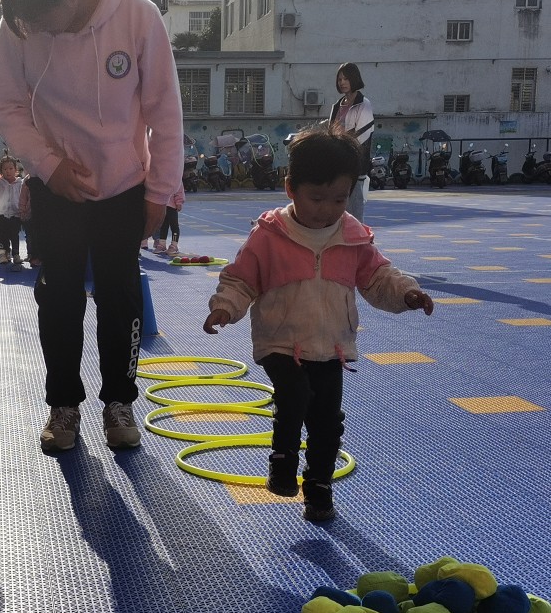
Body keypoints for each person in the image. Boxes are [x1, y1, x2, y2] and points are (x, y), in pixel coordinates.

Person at [0, 0, 184, 452]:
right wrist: (48, 165)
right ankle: (63, 405)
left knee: (120, 296)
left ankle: (119, 401)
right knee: (58, 297)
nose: (32, 31)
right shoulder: (19, 22)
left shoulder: (138, 16)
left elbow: (165, 113)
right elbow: (6, 106)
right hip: (55, 188)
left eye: (40, 23)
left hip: (123, 188)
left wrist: (160, 192)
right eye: (25, 23)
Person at [202, 123, 434, 521]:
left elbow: (379, 277)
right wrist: (225, 307)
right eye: (316, 198)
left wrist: (407, 293)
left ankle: (319, 488)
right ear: (290, 189)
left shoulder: (353, 237)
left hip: (331, 347)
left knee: (327, 423)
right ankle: (282, 461)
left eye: (339, 198)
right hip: (280, 340)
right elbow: (241, 279)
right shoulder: (269, 236)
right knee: (295, 393)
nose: (326, 209)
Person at [328, 62, 373, 222]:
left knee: (354, 216)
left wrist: (341, 148)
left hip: (355, 168)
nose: (342, 82)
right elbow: (331, 133)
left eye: (346, 78)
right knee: (337, 214)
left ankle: (358, 238)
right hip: (337, 168)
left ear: (354, 79)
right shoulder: (336, 106)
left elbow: (361, 136)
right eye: (340, 79)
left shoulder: (364, 104)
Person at [0, 155, 26, 270]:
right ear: (1, 170)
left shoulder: (20, 183)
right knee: (2, 236)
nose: (8, 171)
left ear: (15, 169)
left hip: (15, 214)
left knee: (14, 235)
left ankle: (16, 254)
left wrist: (23, 212)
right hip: (1, 215)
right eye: (5, 169)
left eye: (11, 168)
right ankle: (4, 254)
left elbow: (23, 198)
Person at [151, 184, 184, 255]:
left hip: (172, 206)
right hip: (162, 205)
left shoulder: (176, 178)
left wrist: (179, 202)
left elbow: (179, 190)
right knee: (163, 225)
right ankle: (162, 244)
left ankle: (174, 245)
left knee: (174, 226)